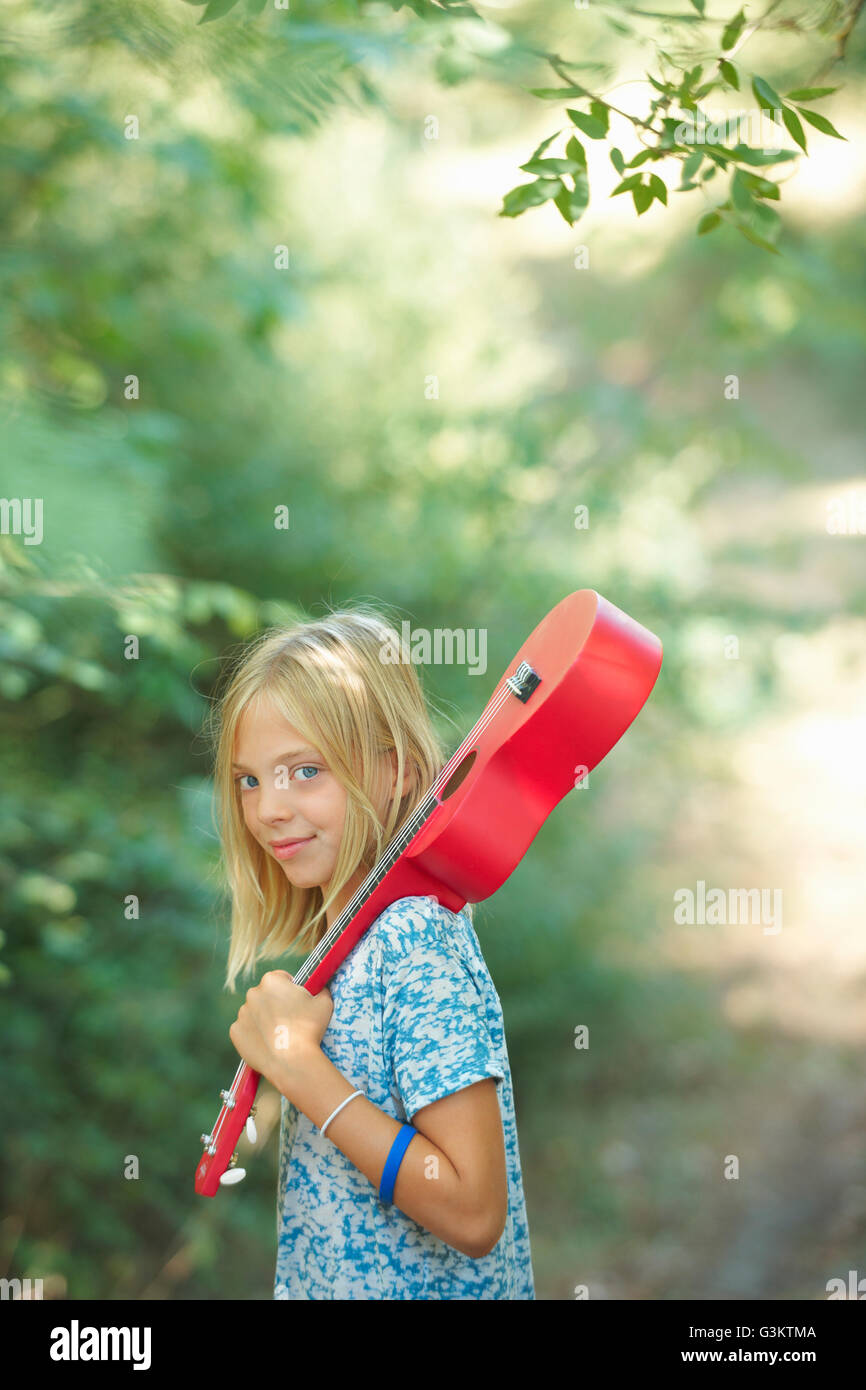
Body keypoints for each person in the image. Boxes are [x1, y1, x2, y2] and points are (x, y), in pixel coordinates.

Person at [207, 602, 535, 1299]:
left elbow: (475, 1212)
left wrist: (301, 1070)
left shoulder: (413, 940)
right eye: (250, 780)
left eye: (304, 771)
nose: (268, 808)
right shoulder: (344, 945)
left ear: (399, 772)